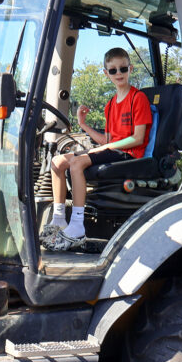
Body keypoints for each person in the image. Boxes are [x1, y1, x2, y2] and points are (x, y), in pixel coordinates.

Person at [41, 48, 152, 251]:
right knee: (57, 162)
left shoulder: (138, 99)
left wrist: (108, 145)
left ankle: (77, 224)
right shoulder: (110, 105)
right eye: (113, 70)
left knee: (76, 163)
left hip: (129, 154)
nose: (118, 73)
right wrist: (84, 125)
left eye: (123, 68)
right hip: (113, 149)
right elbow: (106, 140)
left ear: (130, 69)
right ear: (106, 72)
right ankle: (59, 218)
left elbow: (137, 139)